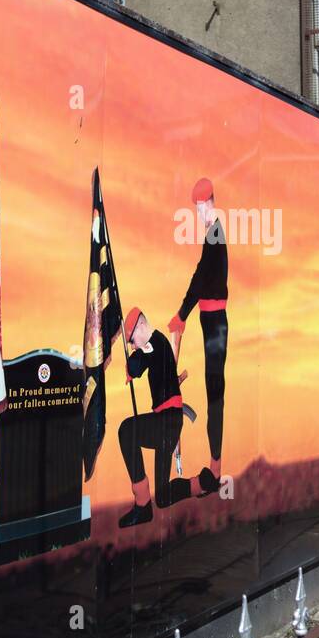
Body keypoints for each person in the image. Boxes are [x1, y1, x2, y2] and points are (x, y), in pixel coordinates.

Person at [168, 178, 227, 497]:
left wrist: (182, 314)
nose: (200, 212)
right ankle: (214, 469)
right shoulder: (211, 234)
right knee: (212, 389)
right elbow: (199, 276)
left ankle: (215, 470)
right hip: (209, 318)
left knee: (215, 391)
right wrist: (184, 314)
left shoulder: (215, 233)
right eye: (197, 208)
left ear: (212, 203)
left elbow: (201, 278)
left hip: (215, 320)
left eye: (203, 206)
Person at [117, 308, 197, 528]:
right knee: (162, 497)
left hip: (166, 420)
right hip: (169, 422)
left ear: (142, 327)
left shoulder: (155, 341)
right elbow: (139, 365)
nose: (133, 345)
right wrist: (133, 364)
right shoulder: (159, 345)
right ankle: (200, 484)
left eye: (132, 340)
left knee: (126, 430)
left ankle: (142, 505)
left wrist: (131, 362)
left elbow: (136, 365)